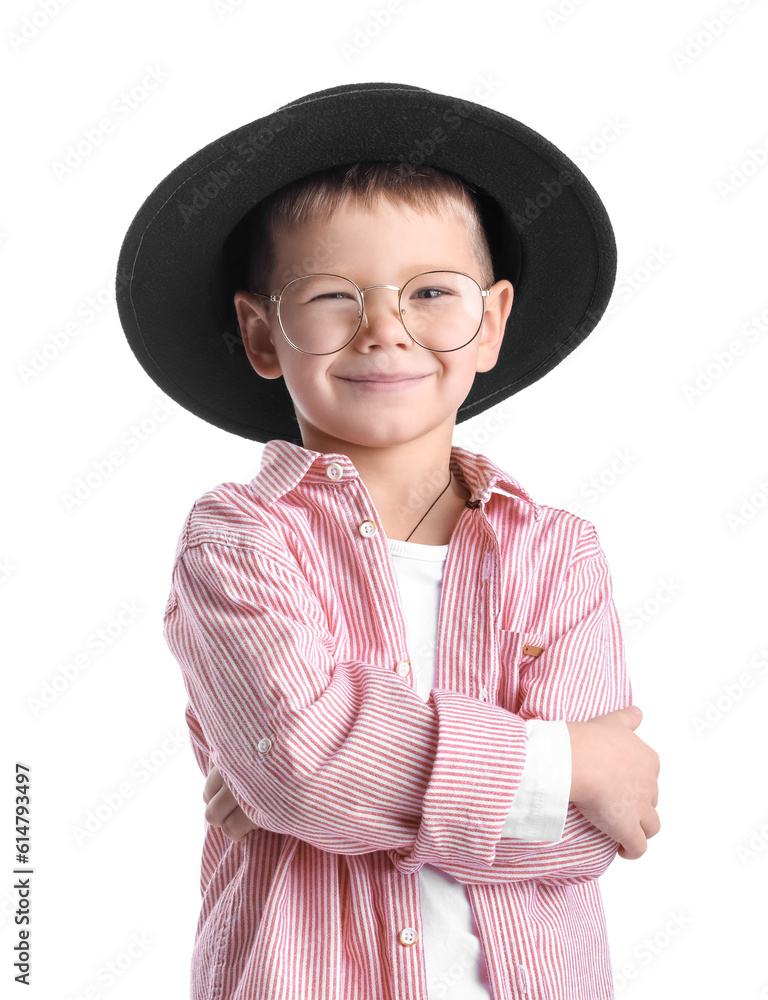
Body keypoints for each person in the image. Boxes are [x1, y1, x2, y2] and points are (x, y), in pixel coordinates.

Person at [116, 82, 660, 1000]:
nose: (383, 329)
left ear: (489, 322)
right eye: (332, 295)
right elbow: (306, 770)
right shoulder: (239, 541)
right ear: (261, 332)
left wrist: (336, 778)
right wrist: (565, 762)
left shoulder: (557, 553)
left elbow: (585, 838)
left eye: (431, 293)